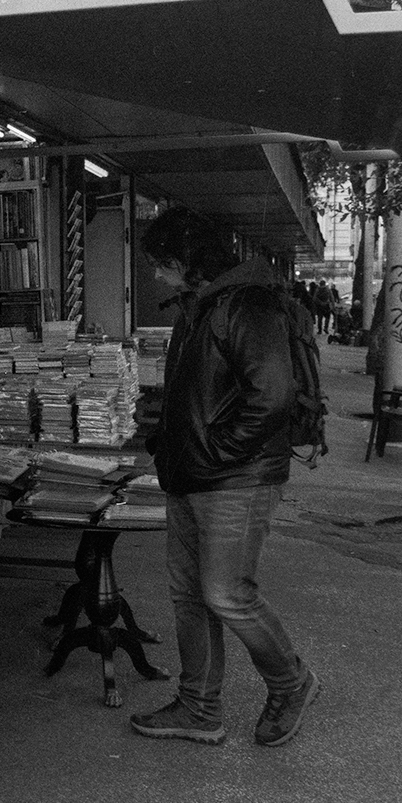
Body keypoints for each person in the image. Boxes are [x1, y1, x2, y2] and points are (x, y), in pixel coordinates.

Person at [132, 208, 319, 748]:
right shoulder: (203, 306)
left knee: (227, 594)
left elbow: (272, 398)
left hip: (233, 478)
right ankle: (199, 707)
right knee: (190, 596)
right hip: (193, 473)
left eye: (161, 263)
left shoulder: (247, 304)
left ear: (186, 261)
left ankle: (290, 682)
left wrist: (216, 452)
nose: (156, 275)